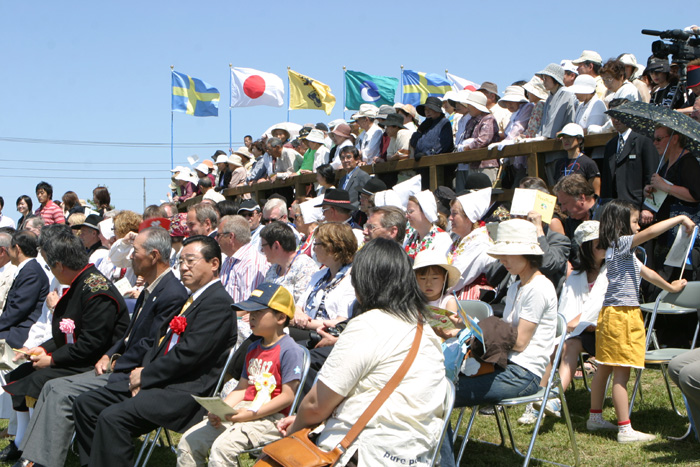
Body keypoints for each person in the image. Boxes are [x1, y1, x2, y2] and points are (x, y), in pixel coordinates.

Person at [11, 227, 188, 467]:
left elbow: (149, 343)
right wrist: (109, 355)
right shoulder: (152, 287)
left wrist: (114, 360)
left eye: (135, 251)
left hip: (131, 372)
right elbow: (128, 335)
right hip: (112, 363)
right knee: (51, 387)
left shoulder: (170, 292)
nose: (130, 256)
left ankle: (42, 462)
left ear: (154, 255)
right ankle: (35, 458)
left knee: (59, 391)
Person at [276, 238, 449, 467]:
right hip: (416, 456)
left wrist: (294, 434)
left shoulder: (368, 324)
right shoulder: (424, 330)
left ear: (362, 282)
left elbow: (316, 404)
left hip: (362, 453)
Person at [72, 235, 237, 466]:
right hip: (160, 379)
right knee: (86, 404)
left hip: (184, 390)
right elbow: (160, 343)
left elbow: (188, 355)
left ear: (214, 264)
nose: (184, 267)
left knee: (112, 418)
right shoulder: (193, 299)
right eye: (181, 262)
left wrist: (146, 376)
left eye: (191, 261)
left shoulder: (217, 303)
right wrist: (143, 373)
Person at [0, 225, 128, 463]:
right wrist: (45, 348)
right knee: (22, 373)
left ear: (60, 265)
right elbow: (67, 331)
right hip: (77, 356)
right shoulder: (80, 283)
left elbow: (93, 344)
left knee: (36, 379)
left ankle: (34, 453)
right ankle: (25, 444)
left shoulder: (96, 290)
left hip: (95, 365)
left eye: (50, 266)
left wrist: (53, 359)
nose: (51, 271)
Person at [441, 219, 557, 461]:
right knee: (436, 387)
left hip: (523, 374)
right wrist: (469, 327)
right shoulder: (517, 286)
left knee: (439, 395)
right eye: (500, 254)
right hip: (505, 366)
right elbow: (506, 335)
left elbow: (520, 342)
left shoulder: (538, 289)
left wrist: (479, 328)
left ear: (526, 254)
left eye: (506, 254)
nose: (501, 259)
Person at [587, 200, 693, 443]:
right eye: (634, 222)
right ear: (621, 224)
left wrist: (669, 286)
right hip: (622, 315)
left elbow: (648, 273)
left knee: (604, 367)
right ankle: (625, 428)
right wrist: (679, 219)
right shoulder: (622, 244)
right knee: (621, 374)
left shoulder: (620, 251)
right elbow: (650, 233)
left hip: (611, 314)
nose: (638, 227)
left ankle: (595, 418)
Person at [176, 283, 304, 467]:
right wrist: (221, 410)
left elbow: (287, 397)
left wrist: (250, 414)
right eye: (250, 313)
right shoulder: (253, 347)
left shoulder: (290, 350)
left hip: (271, 417)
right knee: (188, 442)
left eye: (258, 312)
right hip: (243, 410)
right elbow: (242, 389)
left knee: (222, 449)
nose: (251, 317)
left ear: (281, 317)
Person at [523, 221, 608, 423]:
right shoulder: (577, 275)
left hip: (602, 329)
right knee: (552, 346)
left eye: (604, 243)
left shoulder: (611, 272)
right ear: (586, 248)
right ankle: (539, 401)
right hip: (578, 331)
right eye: (598, 244)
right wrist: (567, 326)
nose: (603, 247)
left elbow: (604, 306)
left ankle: (551, 398)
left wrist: (578, 322)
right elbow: (566, 307)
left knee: (566, 345)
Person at [602, 99, 658, 225]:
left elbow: (651, 175)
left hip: (638, 209)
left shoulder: (644, 140)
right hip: (616, 210)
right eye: (613, 116)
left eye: (620, 115)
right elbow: (607, 180)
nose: (616, 119)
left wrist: (648, 207)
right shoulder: (610, 145)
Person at [293, 223, 356, 334]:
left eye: (316, 244)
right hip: (304, 330)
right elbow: (299, 306)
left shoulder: (351, 280)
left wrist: (303, 322)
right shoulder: (319, 275)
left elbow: (340, 322)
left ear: (330, 248)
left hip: (327, 335)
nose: (313, 248)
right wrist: (299, 314)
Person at [447, 184, 498, 300]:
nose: (450, 218)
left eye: (454, 213)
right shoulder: (459, 239)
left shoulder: (480, 243)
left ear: (468, 217)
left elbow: (455, 279)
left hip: (472, 301)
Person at [0, 231, 49, 348]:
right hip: (14, 326)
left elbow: (18, 309)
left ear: (17, 249)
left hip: (21, 332)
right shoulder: (28, 270)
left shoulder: (31, 273)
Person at [260, 221, 318, 303]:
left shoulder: (305, 266)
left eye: (263, 246)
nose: (262, 250)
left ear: (276, 246)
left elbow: (300, 304)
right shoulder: (273, 268)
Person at [454, 92, 501, 188]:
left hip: (487, 164)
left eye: (470, 105)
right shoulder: (471, 121)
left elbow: (483, 140)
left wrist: (466, 147)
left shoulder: (488, 119)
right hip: (473, 164)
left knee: (488, 194)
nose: (468, 107)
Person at [403, 190, 452, 260]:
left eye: (411, 211)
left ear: (425, 213)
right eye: (407, 212)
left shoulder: (442, 239)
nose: (406, 216)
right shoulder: (410, 237)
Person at [554, 123, 601, 194]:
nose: (566, 140)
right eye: (564, 137)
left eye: (569, 137)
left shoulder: (588, 163)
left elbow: (596, 193)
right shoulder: (559, 163)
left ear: (580, 140)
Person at [536, 63, 577, 140]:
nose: (544, 82)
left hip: (560, 139)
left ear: (555, 79)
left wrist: (545, 136)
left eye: (546, 79)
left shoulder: (565, 94)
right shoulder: (550, 97)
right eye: (543, 79)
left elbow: (555, 120)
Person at [413, 250, 458, 314]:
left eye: (435, 278)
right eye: (423, 278)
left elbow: (452, 322)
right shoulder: (413, 301)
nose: (428, 284)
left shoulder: (448, 302)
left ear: (444, 279)